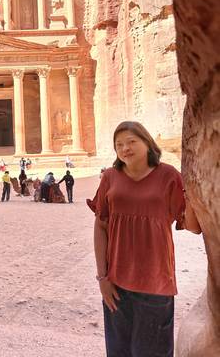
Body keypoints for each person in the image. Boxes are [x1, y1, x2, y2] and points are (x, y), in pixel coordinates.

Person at [87, 121, 202, 357]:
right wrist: (102, 278)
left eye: (131, 142)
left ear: (147, 143)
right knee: (119, 353)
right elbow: (101, 226)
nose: (125, 148)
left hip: (156, 283)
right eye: (119, 144)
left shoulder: (169, 176)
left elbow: (192, 227)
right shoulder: (110, 177)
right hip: (116, 283)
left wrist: (191, 198)